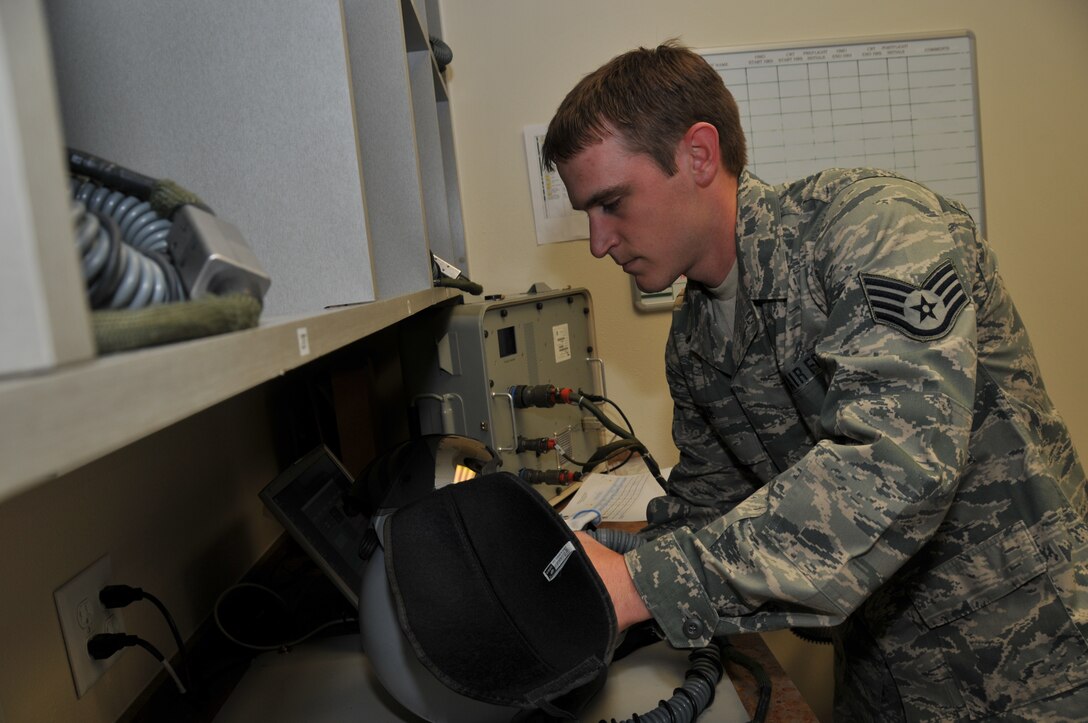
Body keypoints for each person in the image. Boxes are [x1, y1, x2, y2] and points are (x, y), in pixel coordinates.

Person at [541, 41, 1087, 721]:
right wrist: (582, 579)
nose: (598, 242)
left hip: (1032, 661)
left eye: (612, 203)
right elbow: (707, 504)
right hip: (882, 674)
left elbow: (895, 468)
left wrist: (640, 583)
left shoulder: (873, 231)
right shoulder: (695, 339)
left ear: (699, 155)